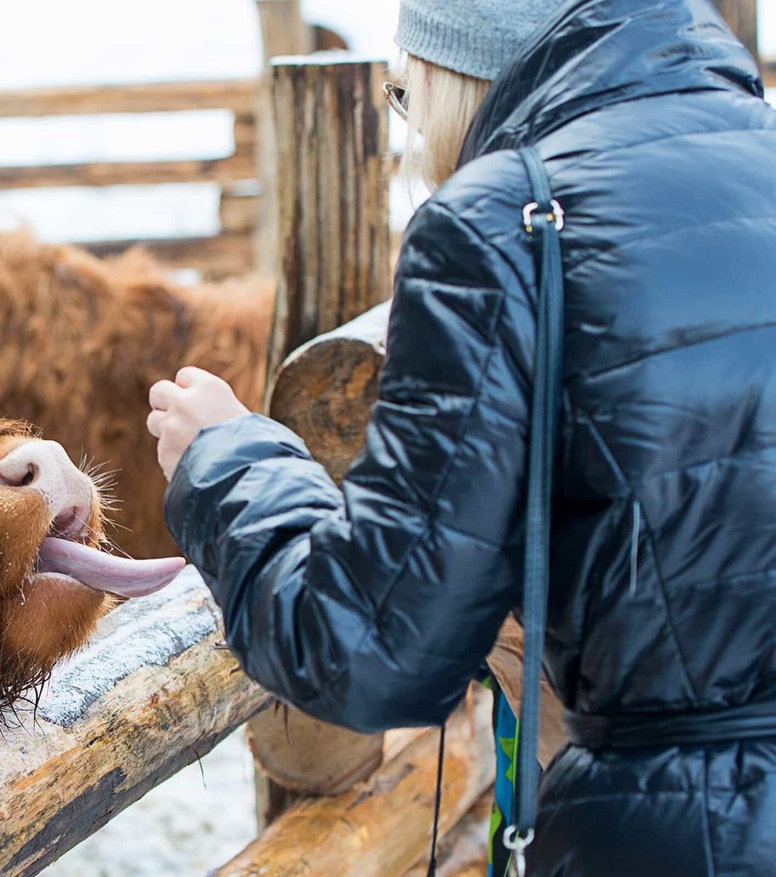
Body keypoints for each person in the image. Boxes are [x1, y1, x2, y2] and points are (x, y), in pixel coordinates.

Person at [145, 0, 776, 873]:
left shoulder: (502, 220)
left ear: (454, 65)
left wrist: (227, 459)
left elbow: (375, 649)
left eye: (403, 94)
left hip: (681, 837)